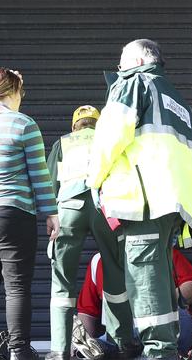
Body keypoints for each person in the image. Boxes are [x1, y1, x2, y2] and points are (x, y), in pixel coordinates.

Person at [86, 39, 192, 359]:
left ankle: (157, 352)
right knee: (161, 276)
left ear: (138, 61)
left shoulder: (134, 83)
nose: (119, 69)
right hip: (172, 203)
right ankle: (164, 348)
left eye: (122, 62)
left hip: (143, 200)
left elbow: (109, 137)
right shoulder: (176, 97)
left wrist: (93, 179)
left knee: (145, 277)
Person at [0, 68, 60, 360]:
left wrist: (6, 80)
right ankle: (18, 352)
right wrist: (51, 212)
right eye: (21, 93)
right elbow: (39, 175)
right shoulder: (23, 124)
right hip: (9, 213)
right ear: (13, 93)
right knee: (16, 286)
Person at [45, 106, 137, 360]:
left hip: (68, 210)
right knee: (115, 277)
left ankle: (59, 350)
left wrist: (50, 217)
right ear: (98, 124)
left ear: (75, 126)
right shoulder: (106, 140)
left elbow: (51, 184)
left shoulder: (63, 143)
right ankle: (122, 344)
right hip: (103, 208)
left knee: (62, 282)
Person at [76, 249, 192, 357]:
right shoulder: (98, 261)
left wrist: (157, 305)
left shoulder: (163, 251)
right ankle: (95, 348)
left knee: (165, 315)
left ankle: (104, 345)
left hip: (174, 327)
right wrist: (82, 347)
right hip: (129, 348)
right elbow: (88, 311)